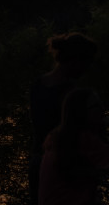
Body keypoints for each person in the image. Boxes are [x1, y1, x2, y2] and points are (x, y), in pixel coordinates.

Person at [30, 33, 98, 204]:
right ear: (75, 60)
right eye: (87, 63)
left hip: (39, 161)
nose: (86, 69)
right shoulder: (71, 93)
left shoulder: (38, 84)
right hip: (62, 168)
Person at [38, 87, 109, 205]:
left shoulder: (57, 138)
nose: (103, 109)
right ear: (82, 113)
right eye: (97, 106)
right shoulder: (83, 140)